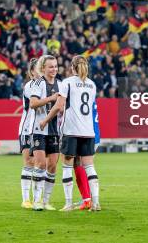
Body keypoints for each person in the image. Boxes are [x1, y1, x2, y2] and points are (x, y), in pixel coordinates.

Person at [40, 55, 101, 211]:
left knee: (67, 167)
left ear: (72, 67)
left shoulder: (67, 83)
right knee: (89, 167)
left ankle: (68, 203)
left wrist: (46, 120)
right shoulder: (92, 85)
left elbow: (59, 106)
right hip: (88, 132)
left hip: (71, 130)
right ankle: (95, 203)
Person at [28, 55, 61, 211]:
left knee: (53, 166)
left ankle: (46, 201)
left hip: (54, 130)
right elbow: (33, 103)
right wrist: (51, 98)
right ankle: (36, 201)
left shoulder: (61, 84)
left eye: (55, 66)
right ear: (43, 68)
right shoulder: (38, 83)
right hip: (38, 129)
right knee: (40, 164)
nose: (54, 69)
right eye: (50, 66)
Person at [72, 100, 100, 211]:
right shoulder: (90, 94)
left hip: (86, 134)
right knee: (87, 166)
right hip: (95, 134)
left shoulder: (79, 94)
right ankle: (90, 199)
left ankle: (87, 199)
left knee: (79, 163)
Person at [19, 58, 39, 208]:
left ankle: (38, 199)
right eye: (38, 68)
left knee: (41, 164)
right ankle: (26, 199)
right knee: (29, 162)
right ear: (32, 72)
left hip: (43, 129)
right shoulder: (30, 86)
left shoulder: (48, 85)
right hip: (28, 128)